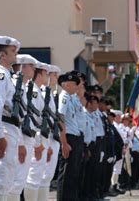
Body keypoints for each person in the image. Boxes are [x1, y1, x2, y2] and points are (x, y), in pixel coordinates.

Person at [0, 36, 21, 201]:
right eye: (13, 51)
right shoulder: (0, 75)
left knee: (8, 178)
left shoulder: (7, 75)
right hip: (5, 130)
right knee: (0, 179)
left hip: (11, 130)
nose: (16, 55)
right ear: (2, 55)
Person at [7, 54, 40, 201]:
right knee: (14, 180)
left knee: (20, 179)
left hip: (26, 136)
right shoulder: (15, 84)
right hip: (18, 136)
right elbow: (16, 117)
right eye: (31, 66)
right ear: (22, 67)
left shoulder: (26, 86)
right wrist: (20, 142)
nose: (34, 70)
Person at [25, 62, 52, 201]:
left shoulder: (39, 91)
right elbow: (33, 120)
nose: (48, 76)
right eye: (46, 73)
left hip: (42, 138)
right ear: (40, 74)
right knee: (33, 176)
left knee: (40, 175)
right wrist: (37, 143)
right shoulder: (34, 92)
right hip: (36, 138)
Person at [56, 72, 83, 201]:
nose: (76, 87)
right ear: (66, 85)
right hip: (68, 138)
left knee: (73, 175)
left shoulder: (73, 98)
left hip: (76, 138)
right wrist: (64, 143)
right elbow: (60, 120)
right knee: (66, 175)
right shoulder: (64, 98)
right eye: (73, 84)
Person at [38, 65, 62, 201]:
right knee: (40, 174)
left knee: (47, 175)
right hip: (44, 136)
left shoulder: (52, 94)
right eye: (54, 75)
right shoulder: (42, 93)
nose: (56, 79)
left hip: (52, 136)